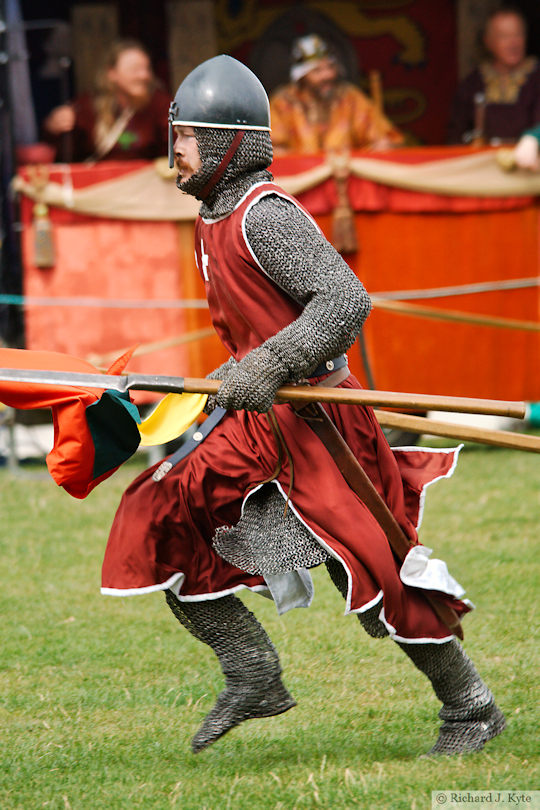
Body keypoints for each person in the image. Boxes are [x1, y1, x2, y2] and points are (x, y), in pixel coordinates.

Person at [101, 55, 505, 757]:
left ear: (231, 142)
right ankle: (252, 672)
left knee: (377, 566)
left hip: (321, 423)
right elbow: (256, 325)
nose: (177, 150)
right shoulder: (210, 215)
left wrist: (271, 361)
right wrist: (240, 371)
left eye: (190, 136)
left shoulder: (266, 215)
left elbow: (345, 301)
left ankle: (471, 708)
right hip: (259, 424)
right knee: (157, 513)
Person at [269, 34, 403, 155]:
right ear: (302, 77)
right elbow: (270, 150)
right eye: (317, 70)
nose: (327, 75)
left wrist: (382, 146)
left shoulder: (350, 97)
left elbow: (387, 140)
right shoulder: (282, 103)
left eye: (330, 67)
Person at [42, 39, 170, 162]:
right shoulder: (85, 107)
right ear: (112, 73)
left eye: (147, 69)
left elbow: (172, 152)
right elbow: (66, 155)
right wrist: (53, 128)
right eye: (135, 69)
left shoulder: (160, 105)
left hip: (145, 181)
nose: (144, 76)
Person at [448, 7, 540, 145]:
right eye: (504, 36)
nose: (513, 43)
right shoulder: (473, 83)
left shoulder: (537, 76)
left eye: (518, 35)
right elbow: (455, 135)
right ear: (488, 42)